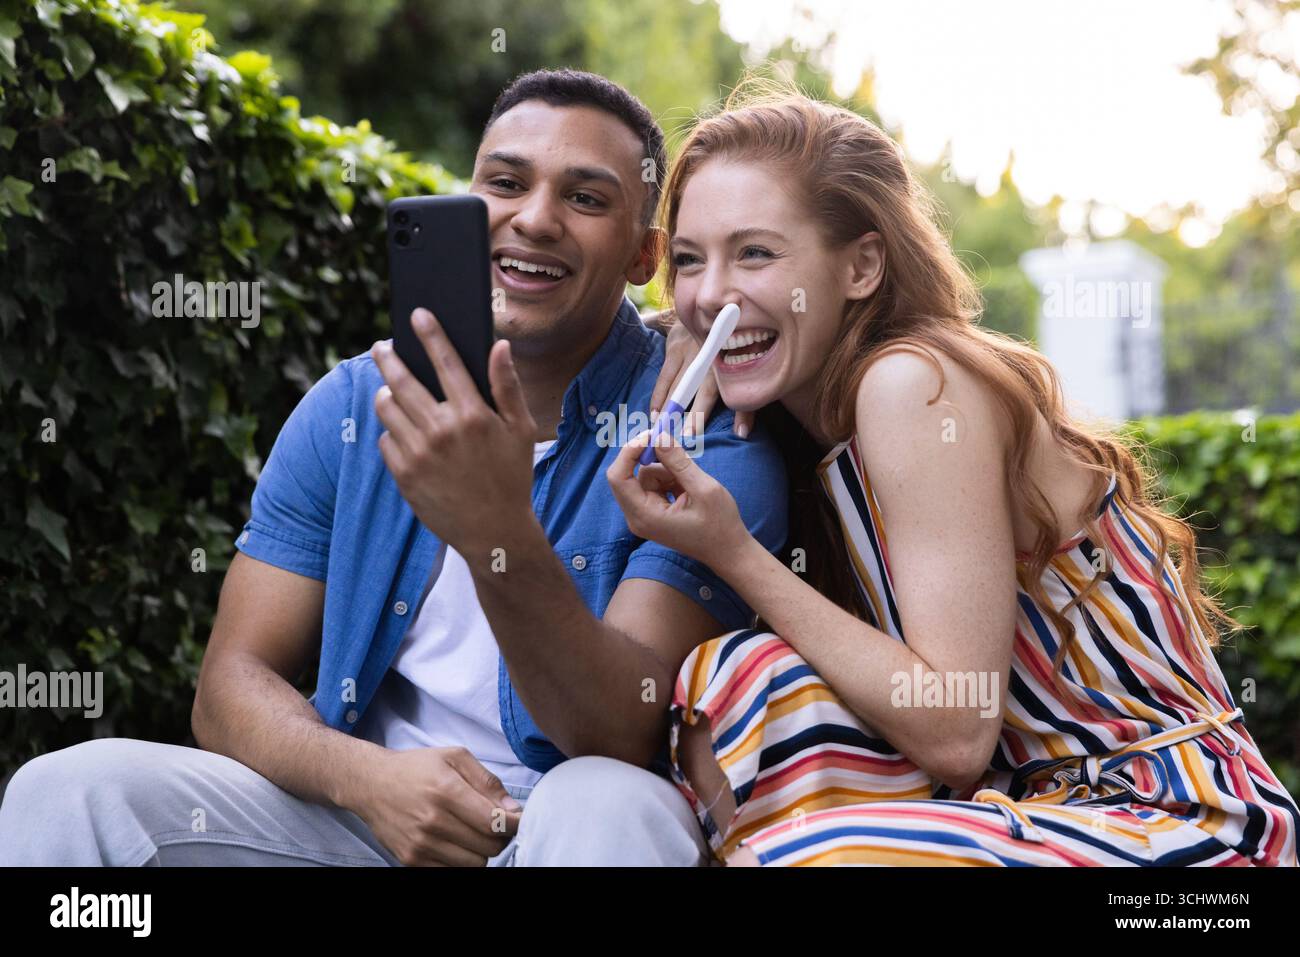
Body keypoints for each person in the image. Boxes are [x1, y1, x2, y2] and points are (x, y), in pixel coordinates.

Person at [0, 70, 788, 867]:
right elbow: (230, 684)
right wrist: (368, 779)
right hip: (364, 825)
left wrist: (495, 530)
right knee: (65, 790)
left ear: (643, 255)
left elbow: (623, 728)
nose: (535, 218)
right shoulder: (352, 406)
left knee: (612, 801)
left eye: (586, 199)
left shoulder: (705, 429)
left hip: (560, 832)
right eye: (506, 183)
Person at [609, 83, 1300, 867]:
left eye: (756, 253)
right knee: (729, 681)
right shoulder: (809, 416)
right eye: (691, 262)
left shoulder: (911, 383)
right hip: (1028, 805)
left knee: (820, 859)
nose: (709, 297)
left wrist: (733, 550)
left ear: (863, 264)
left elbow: (957, 726)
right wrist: (677, 340)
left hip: (1185, 823)